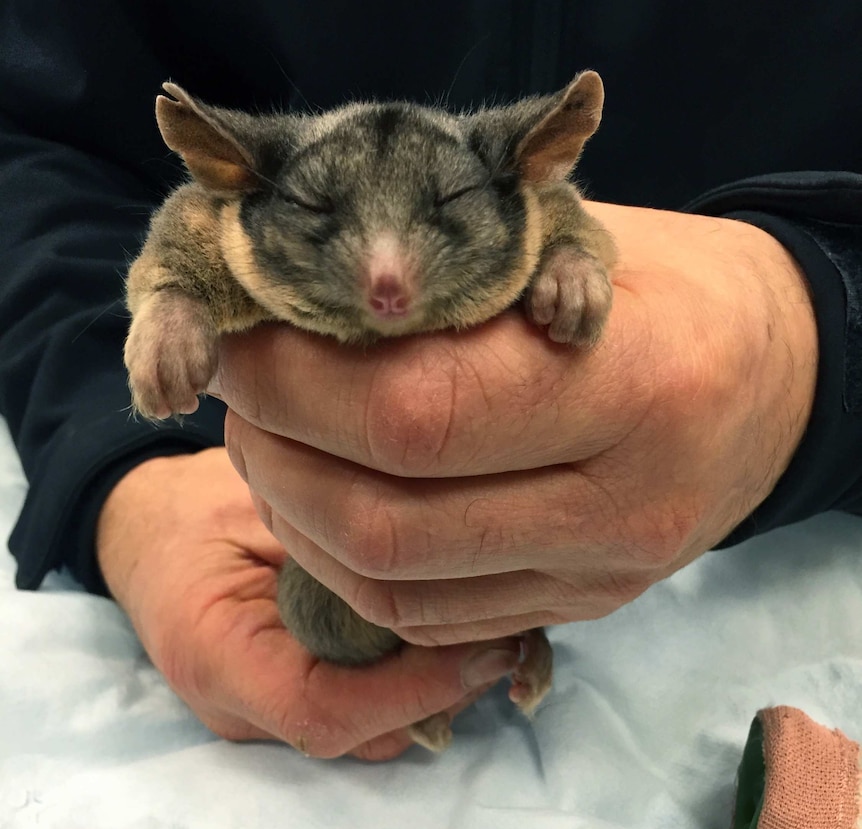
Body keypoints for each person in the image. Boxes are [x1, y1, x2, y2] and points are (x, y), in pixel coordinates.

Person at [1, 1, 861, 761]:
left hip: (756, 601)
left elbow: (560, 219)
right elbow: (59, 150)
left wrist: (821, 339)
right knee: (326, 619)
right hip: (264, 561)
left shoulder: (529, 209)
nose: (385, 274)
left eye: (441, 213)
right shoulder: (235, 220)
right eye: (325, 216)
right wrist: (121, 455)